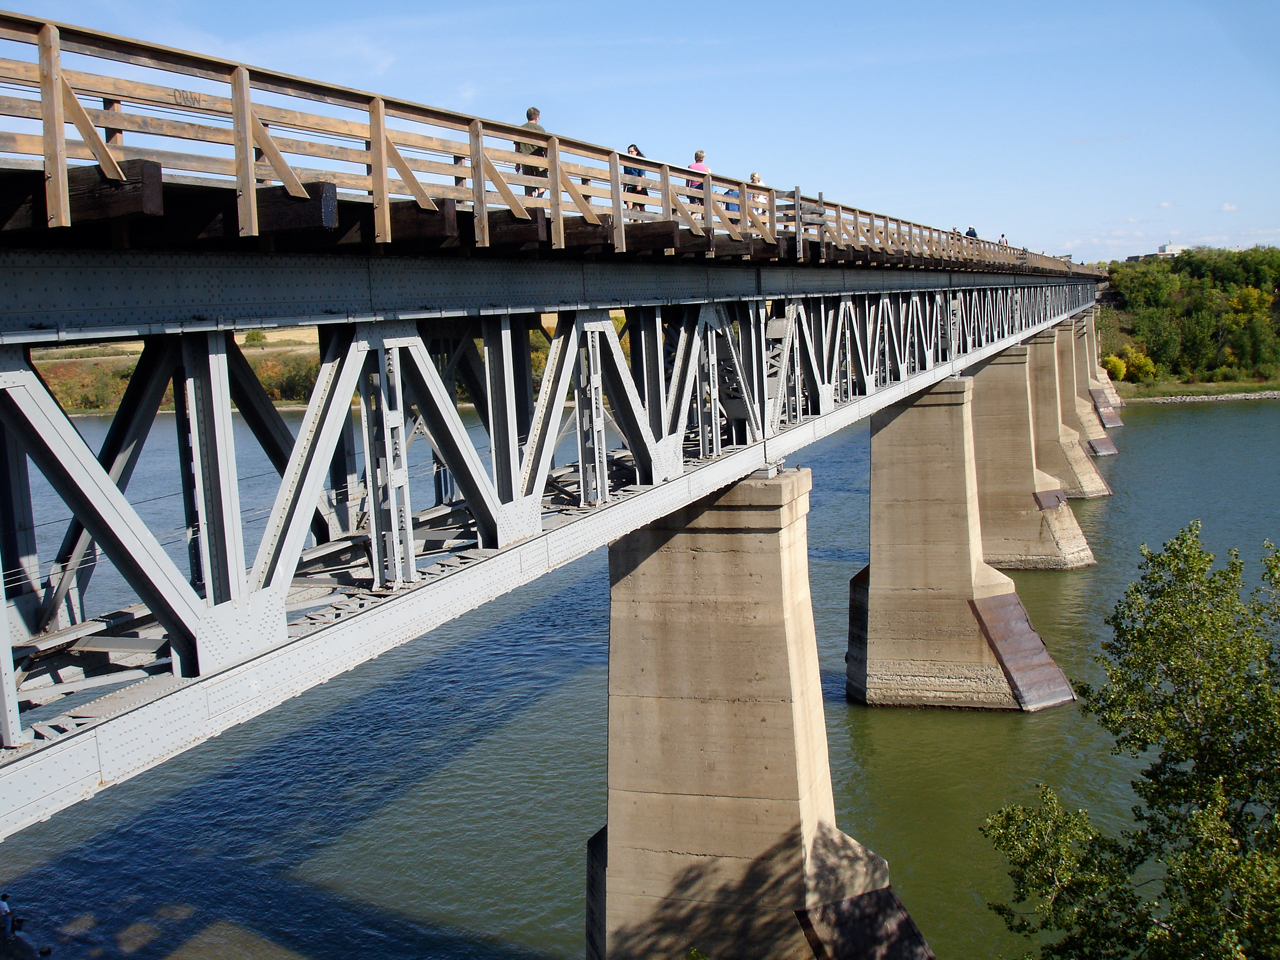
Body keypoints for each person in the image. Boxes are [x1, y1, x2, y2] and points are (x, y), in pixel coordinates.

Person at [516, 107, 547, 198]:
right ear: (537, 117)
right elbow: (545, 147)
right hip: (539, 160)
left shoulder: (521, 128)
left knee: (529, 186)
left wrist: (517, 163)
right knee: (543, 183)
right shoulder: (540, 129)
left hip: (525, 161)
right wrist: (547, 161)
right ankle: (539, 198)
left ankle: (532, 207)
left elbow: (517, 148)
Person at [622, 144, 649, 211]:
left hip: (639, 185)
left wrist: (640, 185)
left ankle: (643, 221)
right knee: (629, 202)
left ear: (636, 151)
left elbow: (642, 175)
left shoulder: (640, 161)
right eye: (629, 152)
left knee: (641, 205)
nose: (630, 153)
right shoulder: (626, 164)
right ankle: (631, 220)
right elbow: (625, 177)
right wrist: (623, 189)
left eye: (632, 151)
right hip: (630, 185)